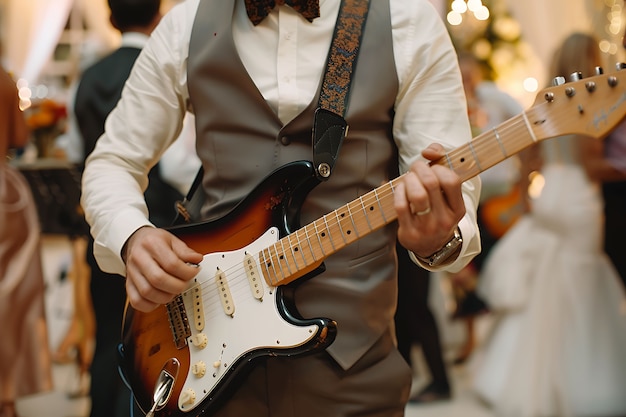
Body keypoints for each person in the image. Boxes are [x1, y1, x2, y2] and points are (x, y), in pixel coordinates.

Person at [80, 1, 482, 416]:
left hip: (355, 373)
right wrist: (133, 236)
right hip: (205, 364)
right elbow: (113, 162)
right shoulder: (186, 24)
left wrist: (438, 239)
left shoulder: (408, 22)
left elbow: (454, 195)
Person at [471, 32, 626, 417]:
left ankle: (533, 379)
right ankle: (576, 381)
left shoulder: (545, 101)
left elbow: (528, 161)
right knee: (579, 283)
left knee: (550, 282)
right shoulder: (589, 102)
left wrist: (526, 199)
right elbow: (591, 163)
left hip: (549, 196)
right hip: (577, 199)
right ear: (588, 58)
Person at [70, 1, 189, 416]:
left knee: (109, 338)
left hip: (109, 235)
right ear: (156, 13)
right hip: (163, 241)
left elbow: (75, 151)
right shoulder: (169, 58)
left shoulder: (88, 78)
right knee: (152, 348)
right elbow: (179, 165)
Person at [448, 51, 524, 364]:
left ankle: (504, 341)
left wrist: (522, 178)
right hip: (467, 197)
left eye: (470, 76)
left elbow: (525, 121)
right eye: (461, 77)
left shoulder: (495, 98)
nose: (466, 82)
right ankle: (470, 338)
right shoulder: (451, 105)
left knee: (500, 266)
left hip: (499, 194)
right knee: (464, 270)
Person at [0, 64, 53, 417]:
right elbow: (19, 138)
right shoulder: (2, 79)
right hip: (4, 198)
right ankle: (5, 396)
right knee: (11, 297)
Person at [394, 242, 451, 403]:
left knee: (417, 310)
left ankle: (441, 382)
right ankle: (402, 377)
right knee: (401, 311)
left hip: (412, 243)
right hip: (396, 244)